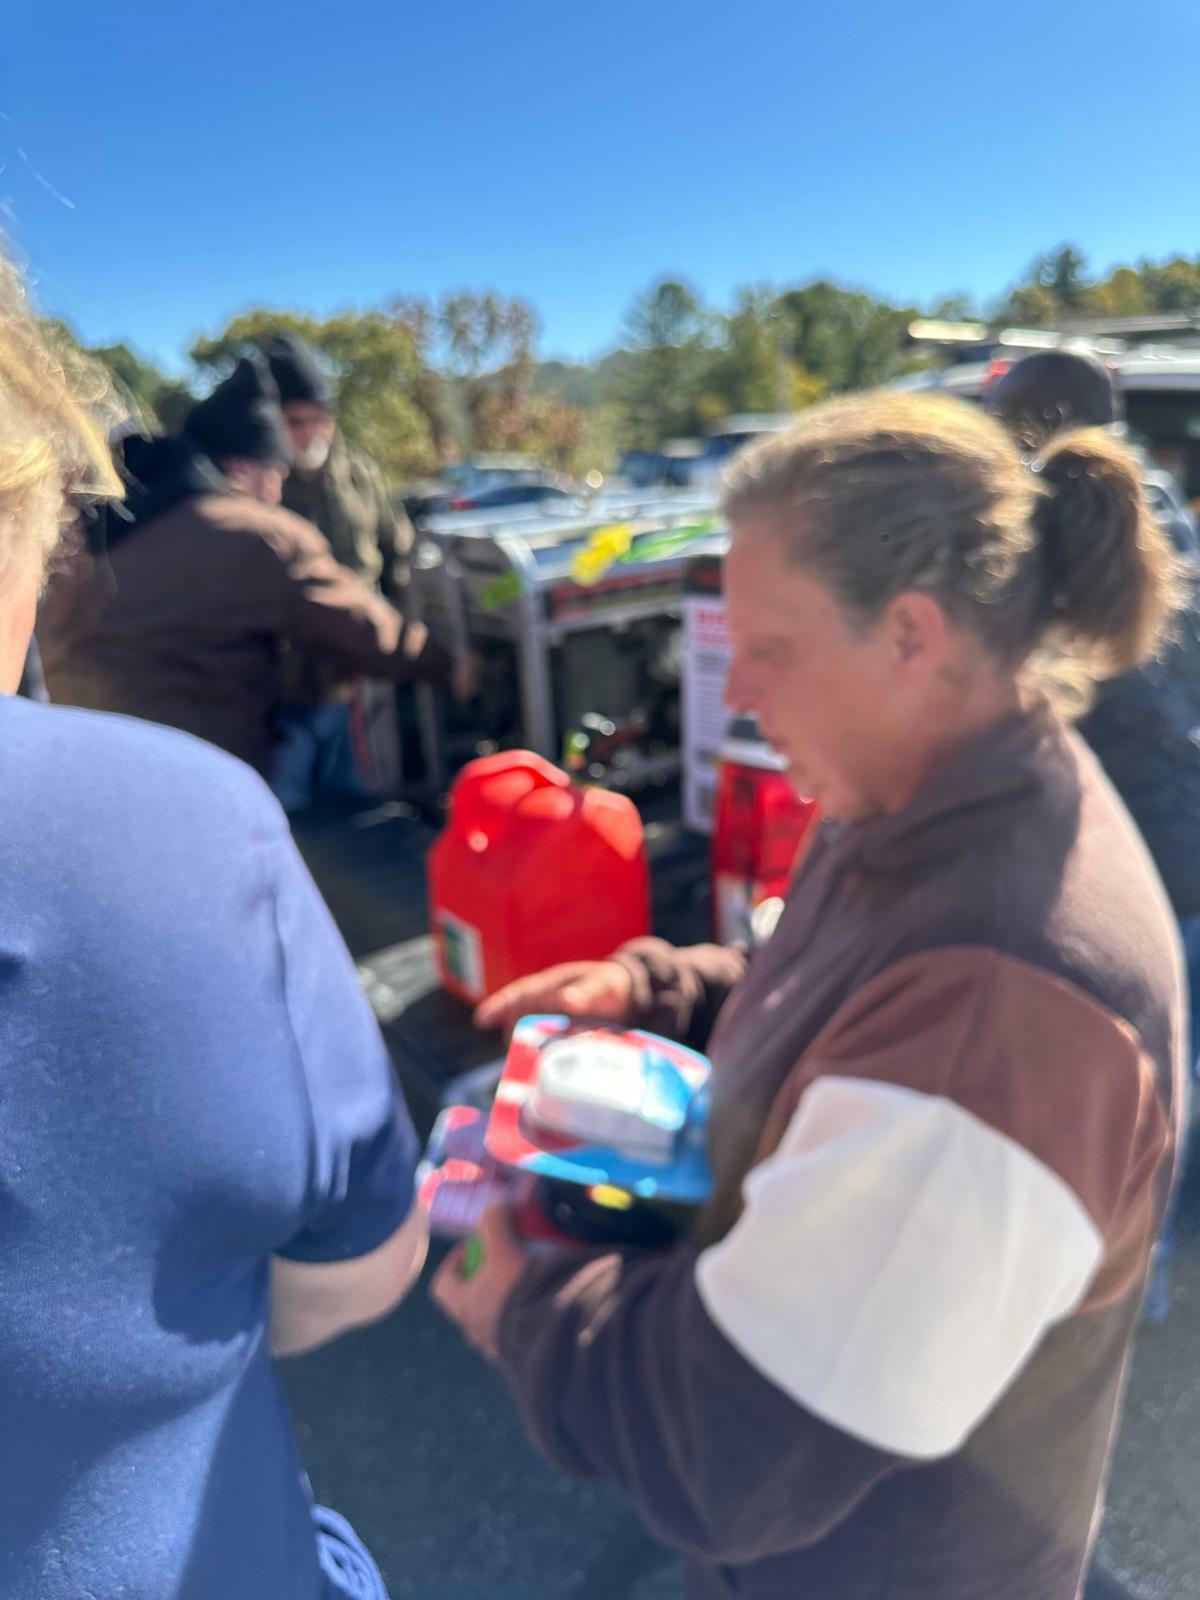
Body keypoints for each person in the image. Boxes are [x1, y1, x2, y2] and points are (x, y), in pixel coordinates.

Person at [434, 392, 1185, 1600]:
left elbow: (727, 1447)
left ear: (912, 635)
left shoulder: (997, 1021)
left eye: (767, 651)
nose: (738, 696)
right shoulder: (916, 792)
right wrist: (654, 987)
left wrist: (521, 1279)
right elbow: (832, 982)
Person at [0, 259, 425, 1597]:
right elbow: (354, 1270)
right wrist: (446, 658)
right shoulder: (190, 816)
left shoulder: (141, 548)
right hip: (178, 830)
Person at [989, 347, 1200, 1319]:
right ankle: (1140, 1271)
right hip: (1183, 834)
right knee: (1170, 1066)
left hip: (1122, 851)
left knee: (1119, 1083)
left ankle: (1114, 1288)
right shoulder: (1161, 510)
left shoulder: (1057, 526)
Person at [38, 355, 465, 781]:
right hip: (206, 764)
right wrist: (449, 664)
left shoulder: (116, 522)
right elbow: (356, 622)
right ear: (245, 466)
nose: (278, 490)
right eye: (276, 473)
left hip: (95, 757)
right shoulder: (257, 533)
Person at [265, 333, 427, 811]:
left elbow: (397, 551)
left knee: (366, 802)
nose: (311, 432)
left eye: (320, 420)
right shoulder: (259, 484)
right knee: (288, 810)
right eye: (296, 422)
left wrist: (396, 630)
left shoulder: (361, 475)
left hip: (361, 681)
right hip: (288, 690)